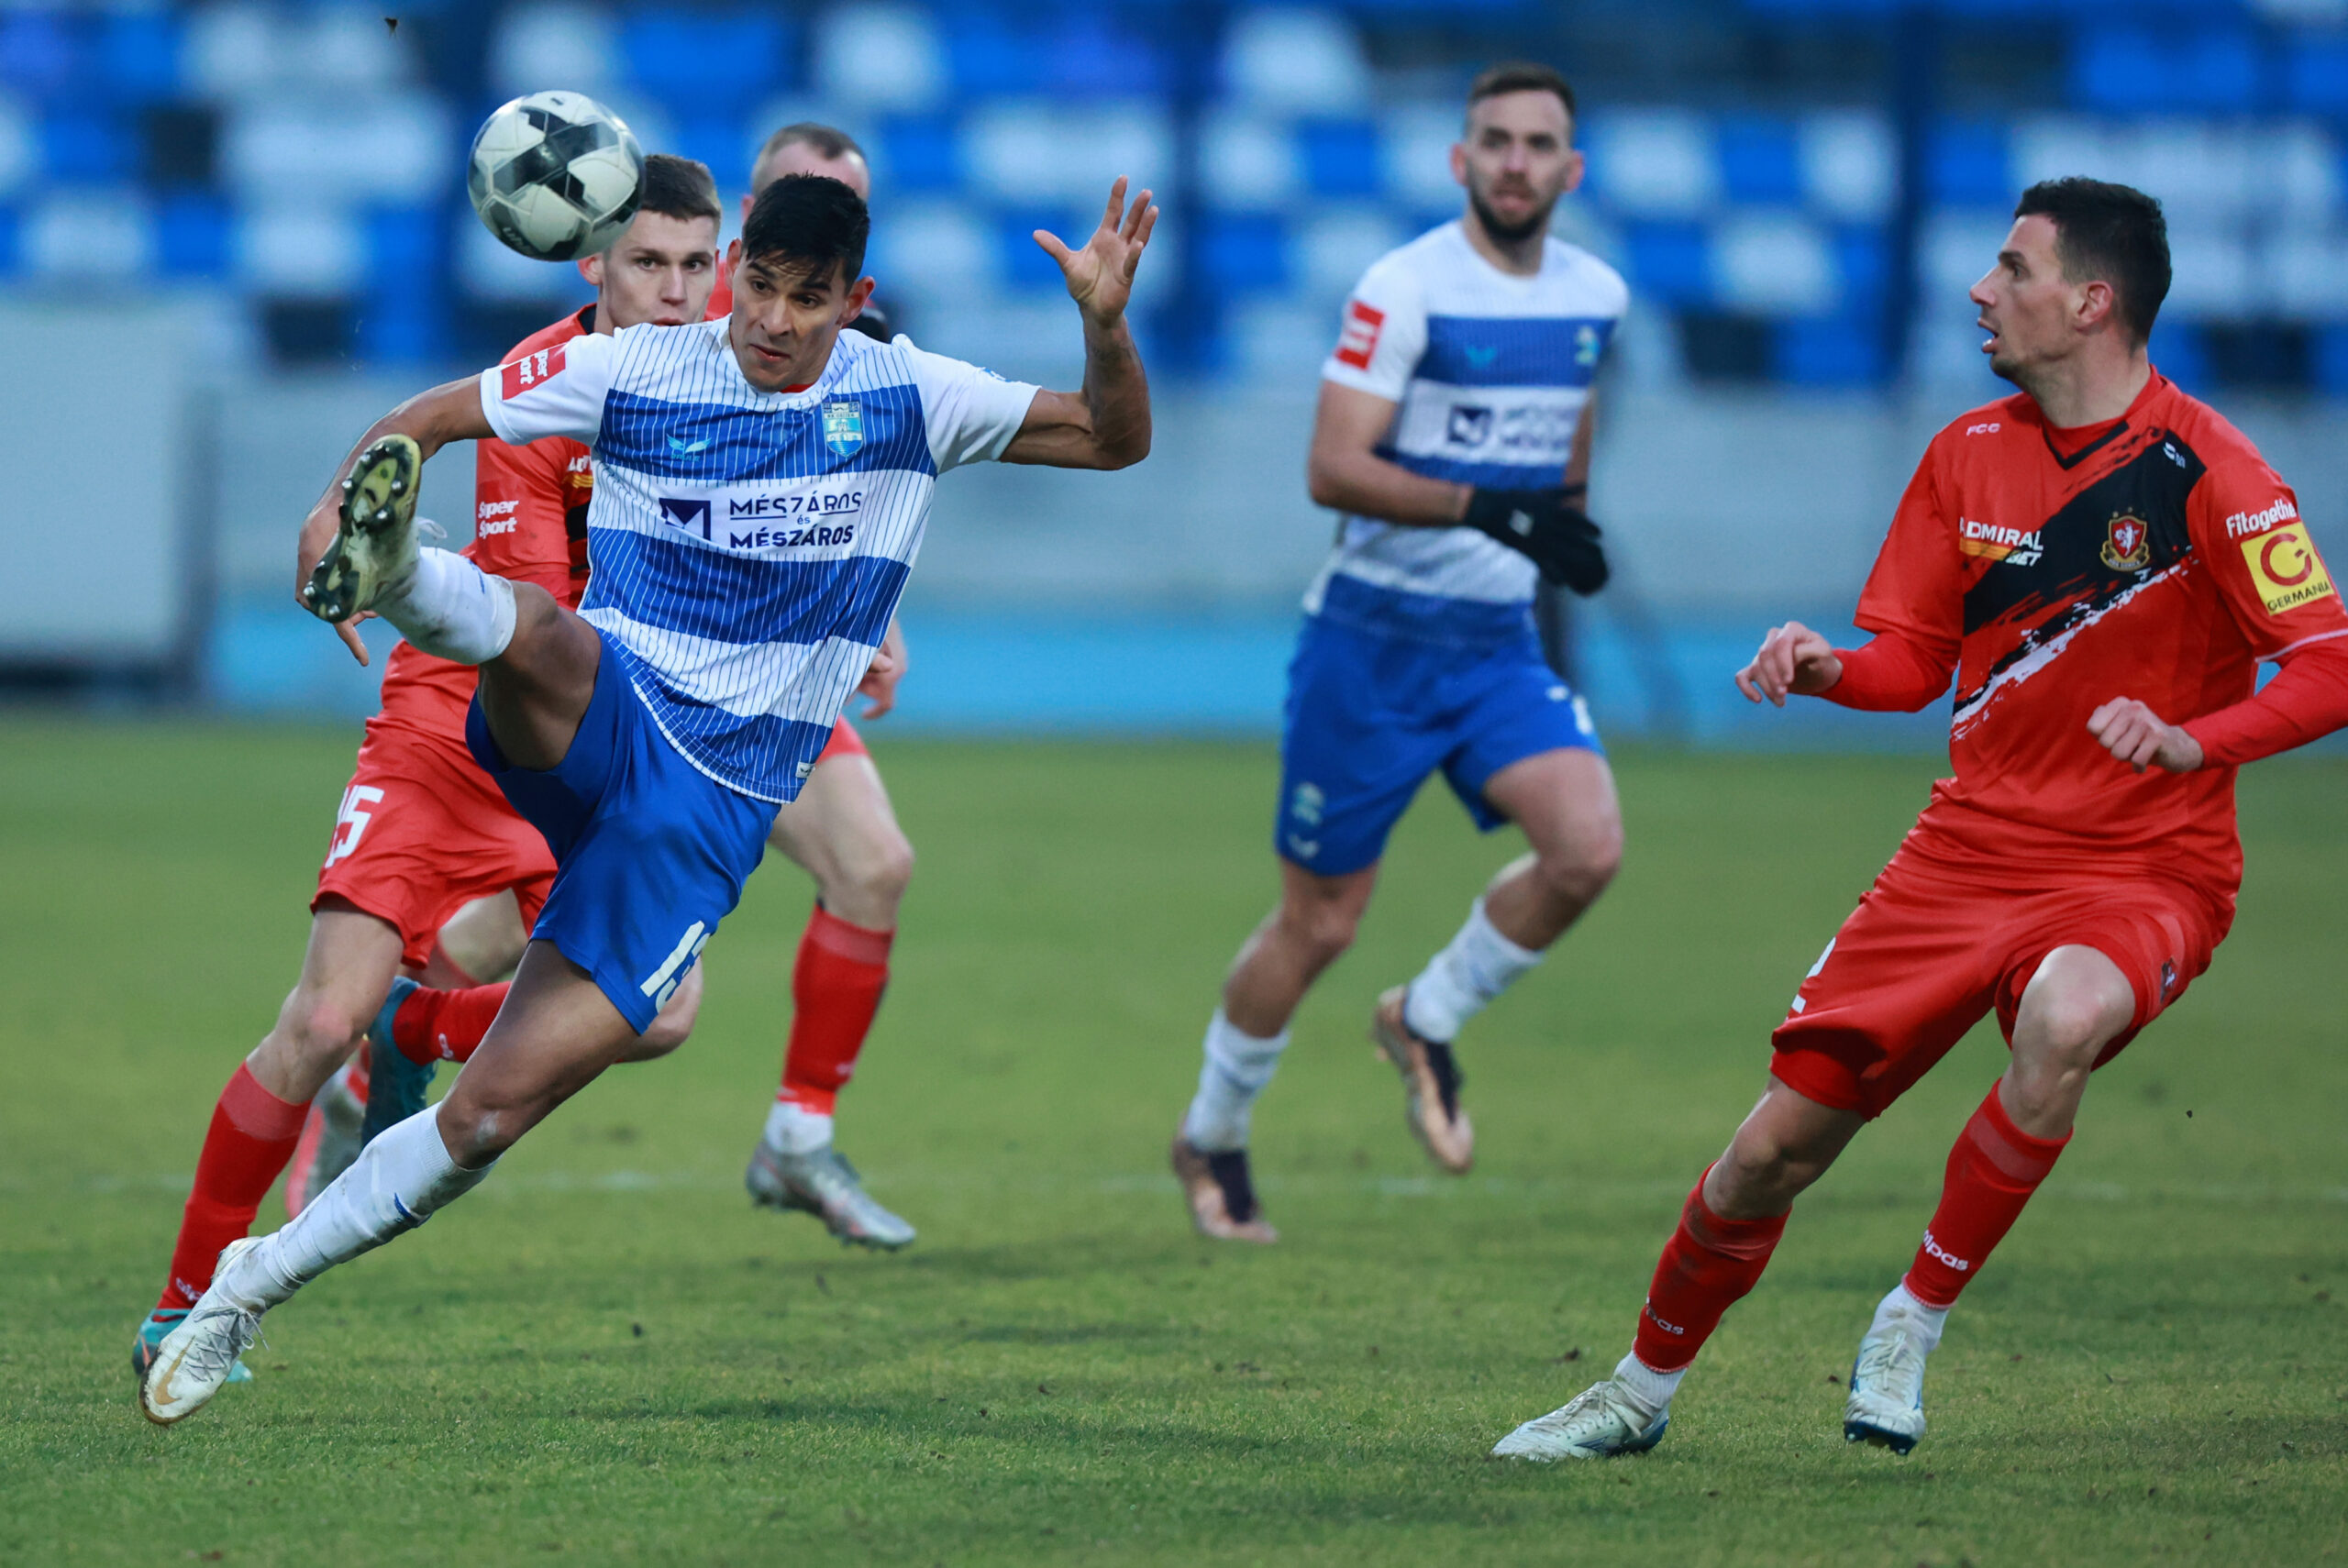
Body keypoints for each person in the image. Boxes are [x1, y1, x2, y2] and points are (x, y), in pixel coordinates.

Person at [139, 171, 1156, 1425]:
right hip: (611, 711)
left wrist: (1105, 324)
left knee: (493, 1112)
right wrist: (338, 502)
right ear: (738, 264)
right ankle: (402, 575)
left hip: (707, 814)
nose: (774, 320)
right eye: (761, 287)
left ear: (857, 300)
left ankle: (251, 1282)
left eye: (809, 299)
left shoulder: (910, 397)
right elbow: (429, 414)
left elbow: (1115, 439)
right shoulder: (640, 372)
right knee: (549, 639)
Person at [1492, 178, 2348, 1462]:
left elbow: (2330, 662)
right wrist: (1828, 663)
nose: (1980, 290)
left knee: (2065, 1015)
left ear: (2090, 301)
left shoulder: (2217, 476)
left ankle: (1913, 1315)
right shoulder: (1965, 456)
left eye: (2012, 268)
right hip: (1963, 852)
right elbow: (1912, 661)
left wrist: (2194, 740)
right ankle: (1636, 1389)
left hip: (2145, 861)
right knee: (1766, 1157)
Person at [130, 155, 728, 1386]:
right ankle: (179, 1307)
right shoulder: (545, 391)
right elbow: (518, 616)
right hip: (465, 719)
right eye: (647, 264)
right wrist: (357, 517)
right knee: (316, 1017)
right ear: (593, 267)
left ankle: (419, 1021)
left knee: (666, 1011)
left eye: (693, 265)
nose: (673, 292)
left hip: (604, 735)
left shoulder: (736, 378)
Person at [322, 123, 930, 1254]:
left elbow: (831, 489)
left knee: (875, 864)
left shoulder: (782, 348)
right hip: (624, 695)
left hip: (761, 686)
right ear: (751, 220)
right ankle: (406, 1029)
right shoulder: (602, 370)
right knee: (617, 989)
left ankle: (797, 1136)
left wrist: (869, 616)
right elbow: (540, 601)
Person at [1170, 62, 1625, 1243]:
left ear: (1569, 170)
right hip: (1368, 645)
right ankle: (1211, 1136)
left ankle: (1424, 1015)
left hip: (1492, 646)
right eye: (1495, 141)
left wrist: (1555, 541)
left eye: (1538, 144)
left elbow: (1563, 447)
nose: (1515, 162)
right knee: (1318, 924)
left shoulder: (1595, 296)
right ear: (1459, 161)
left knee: (1586, 849)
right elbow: (1334, 466)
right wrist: (1492, 509)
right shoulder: (1405, 285)